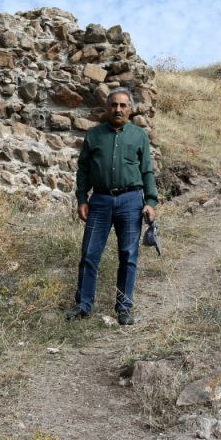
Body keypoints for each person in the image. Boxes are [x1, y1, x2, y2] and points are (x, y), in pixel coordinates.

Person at [68, 87, 157, 325]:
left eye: (123, 105)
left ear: (129, 109)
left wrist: (150, 201)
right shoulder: (94, 135)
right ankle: (83, 305)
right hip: (100, 201)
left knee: (128, 256)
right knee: (89, 254)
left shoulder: (138, 136)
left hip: (131, 201)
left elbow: (147, 170)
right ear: (108, 108)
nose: (118, 109)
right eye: (114, 105)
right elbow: (84, 169)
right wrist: (81, 199)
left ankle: (124, 307)